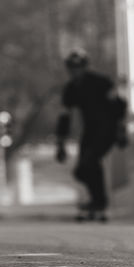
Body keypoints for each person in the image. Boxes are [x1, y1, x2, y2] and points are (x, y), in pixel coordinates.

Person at [55, 50, 128, 222]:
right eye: (72, 68)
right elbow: (65, 117)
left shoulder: (101, 83)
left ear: (85, 67)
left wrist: (120, 130)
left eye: (78, 68)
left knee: (91, 160)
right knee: (80, 170)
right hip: (90, 131)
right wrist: (60, 145)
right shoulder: (71, 89)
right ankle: (96, 200)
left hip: (107, 129)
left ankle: (101, 202)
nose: (75, 72)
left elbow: (119, 106)